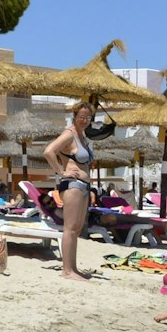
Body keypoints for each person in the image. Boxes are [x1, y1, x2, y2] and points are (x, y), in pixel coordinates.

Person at [42, 102, 99, 281]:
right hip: (73, 185)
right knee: (70, 228)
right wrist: (61, 172)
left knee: (76, 229)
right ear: (74, 117)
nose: (85, 120)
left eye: (88, 117)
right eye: (81, 117)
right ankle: (67, 271)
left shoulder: (82, 136)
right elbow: (49, 151)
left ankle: (73, 268)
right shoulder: (69, 134)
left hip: (83, 186)